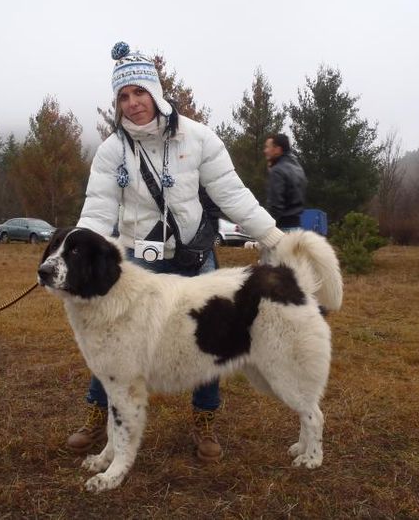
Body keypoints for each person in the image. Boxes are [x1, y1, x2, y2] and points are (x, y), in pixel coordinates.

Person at [69, 41, 284, 462]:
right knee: (111, 343)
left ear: (156, 91)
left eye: (139, 93)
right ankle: (98, 416)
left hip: (193, 259)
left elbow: (232, 194)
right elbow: (97, 212)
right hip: (135, 264)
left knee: (210, 339)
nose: (132, 105)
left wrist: (273, 237)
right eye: (123, 97)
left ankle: (205, 421)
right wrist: (71, 258)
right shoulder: (112, 151)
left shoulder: (199, 137)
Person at [263, 134, 308, 230]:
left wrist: (266, 228)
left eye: (268, 147)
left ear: (278, 149)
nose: (265, 151)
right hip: (297, 228)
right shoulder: (298, 167)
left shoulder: (277, 171)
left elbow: (275, 206)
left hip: (282, 228)